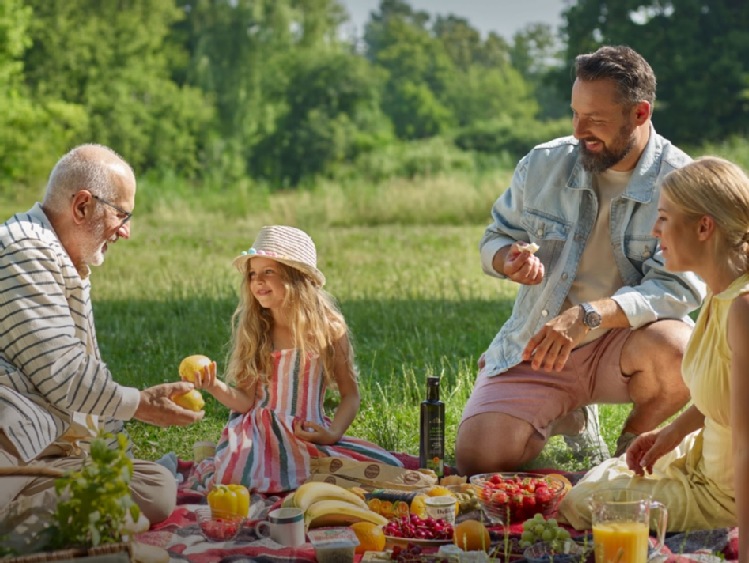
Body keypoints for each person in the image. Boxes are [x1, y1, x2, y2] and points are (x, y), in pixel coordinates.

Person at [455, 45, 706, 476]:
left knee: (680, 350)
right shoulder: (542, 165)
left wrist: (591, 315)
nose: (578, 131)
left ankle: (625, 454)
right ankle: (569, 415)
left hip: (625, 341)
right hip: (544, 340)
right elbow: (496, 236)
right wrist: (505, 260)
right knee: (480, 459)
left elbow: (680, 287)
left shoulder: (680, 182)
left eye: (596, 120)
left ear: (640, 114)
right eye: (575, 114)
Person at [0, 144, 204, 526]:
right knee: (123, 510)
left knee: (155, 488)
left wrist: (124, 425)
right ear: (81, 206)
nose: (125, 232)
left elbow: (85, 372)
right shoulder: (23, 250)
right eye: (121, 214)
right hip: (15, 447)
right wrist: (140, 404)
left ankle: (64, 509)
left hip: (48, 447)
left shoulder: (59, 255)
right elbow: (66, 374)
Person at [558, 156, 749, 535]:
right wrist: (671, 433)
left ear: (704, 227)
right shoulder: (720, 291)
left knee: (581, 503)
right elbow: (730, 397)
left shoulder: (742, 309)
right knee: (603, 478)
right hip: (699, 458)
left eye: (663, 218)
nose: (654, 230)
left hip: (725, 495)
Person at [187, 225, 402, 493]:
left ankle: (218, 457)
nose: (257, 281)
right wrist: (213, 386)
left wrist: (332, 433)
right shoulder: (256, 330)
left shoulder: (330, 330)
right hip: (260, 436)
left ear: (297, 278)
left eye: (268, 272)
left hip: (306, 433)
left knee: (386, 472)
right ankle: (216, 457)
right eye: (253, 274)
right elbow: (244, 401)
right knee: (237, 477)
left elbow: (350, 395)